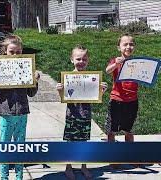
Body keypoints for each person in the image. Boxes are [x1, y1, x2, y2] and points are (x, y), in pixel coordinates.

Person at [0, 35, 40, 180]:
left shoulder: (27, 66)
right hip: (6, 113)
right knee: (4, 147)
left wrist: (35, 80)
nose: (16, 55)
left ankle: (19, 177)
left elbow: (31, 93)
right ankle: (4, 177)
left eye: (18, 52)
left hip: (22, 112)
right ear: (5, 52)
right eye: (12, 52)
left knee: (20, 148)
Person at [56, 44, 107, 179]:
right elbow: (64, 97)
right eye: (78, 59)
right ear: (72, 59)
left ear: (88, 60)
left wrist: (102, 90)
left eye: (84, 59)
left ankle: (84, 166)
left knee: (84, 142)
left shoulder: (92, 78)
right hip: (72, 115)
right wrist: (60, 89)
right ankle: (69, 167)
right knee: (71, 142)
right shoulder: (68, 77)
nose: (81, 62)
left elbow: (96, 95)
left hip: (85, 115)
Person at [105, 34, 138, 167]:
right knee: (111, 131)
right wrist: (115, 64)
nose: (128, 47)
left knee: (129, 131)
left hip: (132, 101)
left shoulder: (137, 62)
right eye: (125, 44)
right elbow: (107, 71)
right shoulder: (115, 60)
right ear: (119, 47)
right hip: (116, 100)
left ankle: (129, 155)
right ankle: (113, 157)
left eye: (131, 44)